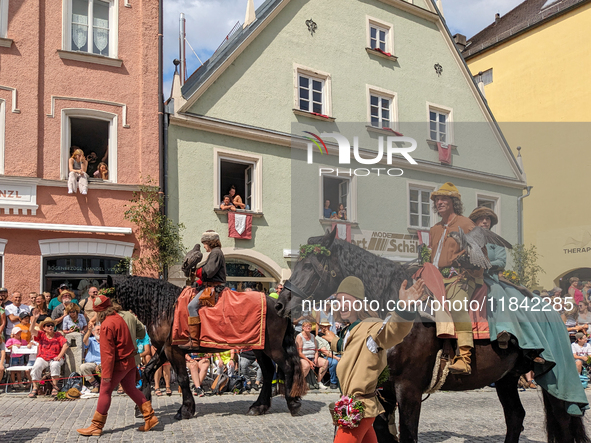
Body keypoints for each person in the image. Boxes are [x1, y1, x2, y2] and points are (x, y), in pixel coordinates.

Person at [321, 276, 424, 443]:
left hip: (358, 410)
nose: (342, 304)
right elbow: (351, 348)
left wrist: (403, 308)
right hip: (358, 408)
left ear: (359, 303)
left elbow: (392, 331)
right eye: (339, 300)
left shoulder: (371, 326)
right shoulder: (350, 329)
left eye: (348, 299)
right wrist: (333, 341)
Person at [77, 295, 158, 436]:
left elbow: (108, 353)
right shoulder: (120, 318)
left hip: (119, 363)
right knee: (130, 388)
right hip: (130, 360)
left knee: (105, 391)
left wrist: (106, 374)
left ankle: (96, 426)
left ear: (99, 312)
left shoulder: (107, 325)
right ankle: (150, 417)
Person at [428, 183, 481, 375]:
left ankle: (465, 357)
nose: (439, 202)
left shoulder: (466, 224)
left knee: (457, 306)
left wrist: (465, 260)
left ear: (454, 202)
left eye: (444, 199)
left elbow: (479, 252)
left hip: (462, 276)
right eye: (437, 199)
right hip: (436, 277)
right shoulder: (434, 229)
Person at [181, 230, 227, 350]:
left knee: (191, 307)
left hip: (214, 288)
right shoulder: (215, 253)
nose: (204, 246)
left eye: (205, 243)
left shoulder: (215, 253)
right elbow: (209, 274)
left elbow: (209, 271)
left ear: (209, 242)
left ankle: (194, 342)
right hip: (210, 285)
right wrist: (197, 283)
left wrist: (195, 272)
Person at [29, 316, 69, 398]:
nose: (50, 327)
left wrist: (59, 356)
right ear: (43, 328)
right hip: (43, 357)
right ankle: (35, 387)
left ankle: (54, 386)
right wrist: (35, 319)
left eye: (52, 325)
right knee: (36, 366)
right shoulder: (41, 334)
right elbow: (31, 330)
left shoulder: (58, 335)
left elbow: (65, 345)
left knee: (55, 364)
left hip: (55, 357)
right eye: (48, 325)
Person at [296, 321, 329, 389]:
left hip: (312, 356)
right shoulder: (299, 337)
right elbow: (299, 353)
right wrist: (309, 361)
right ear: (303, 327)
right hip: (303, 357)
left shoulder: (312, 336)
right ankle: (299, 383)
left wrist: (316, 358)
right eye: (307, 326)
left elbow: (316, 350)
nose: (308, 327)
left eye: (310, 326)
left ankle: (319, 382)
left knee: (325, 362)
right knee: (306, 366)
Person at [81, 322, 101, 393]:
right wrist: (89, 330)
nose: (99, 331)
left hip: (103, 363)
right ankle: (96, 385)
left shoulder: (106, 341)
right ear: (93, 332)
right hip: (92, 363)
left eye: (101, 330)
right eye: (98, 330)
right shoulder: (91, 340)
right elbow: (84, 341)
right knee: (83, 367)